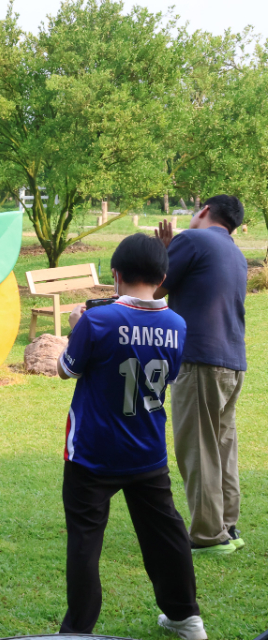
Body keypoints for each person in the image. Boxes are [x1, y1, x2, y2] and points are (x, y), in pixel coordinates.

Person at [56, 234, 205, 640]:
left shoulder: (97, 320)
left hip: (92, 452)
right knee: (166, 533)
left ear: (115, 275)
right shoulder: (177, 324)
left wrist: (75, 328)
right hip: (147, 451)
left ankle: (78, 630)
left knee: (85, 540)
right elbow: (168, 376)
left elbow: (66, 369)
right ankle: (187, 619)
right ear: (162, 278)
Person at [155, 195, 248, 554]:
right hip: (232, 361)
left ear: (205, 210)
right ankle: (227, 526)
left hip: (199, 360)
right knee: (222, 447)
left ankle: (208, 535)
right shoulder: (235, 252)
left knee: (197, 448)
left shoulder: (192, 240)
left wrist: (164, 252)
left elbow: (154, 289)